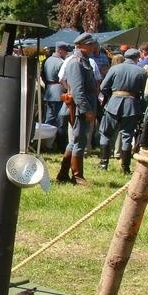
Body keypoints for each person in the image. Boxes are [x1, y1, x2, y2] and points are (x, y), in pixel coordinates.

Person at [56, 32, 98, 185]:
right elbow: (78, 91)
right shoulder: (76, 63)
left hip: (83, 107)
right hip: (80, 109)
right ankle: (77, 176)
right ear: (80, 46)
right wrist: (86, 109)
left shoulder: (84, 61)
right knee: (79, 141)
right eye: (90, 44)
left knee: (75, 141)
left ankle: (63, 174)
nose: (93, 47)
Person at [97, 48, 147, 173]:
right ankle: (125, 166)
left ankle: (103, 163)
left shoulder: (115, 68)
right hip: (131, 105)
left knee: (106, 133)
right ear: (137, 58)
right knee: (127, 135)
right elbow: (145, 93)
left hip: (113, 103)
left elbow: (103, 87)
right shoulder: (142, 71)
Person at [42, 42, 69, 151]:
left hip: (49, 91)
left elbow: (42, 75)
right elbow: (63, 78)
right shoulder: (61, 62)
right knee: (60, 120)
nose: (66, 53)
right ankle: (59, 144)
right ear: (60, 50)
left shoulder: (47, 60)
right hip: (58, 92)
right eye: (65, 51)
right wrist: (67, 88)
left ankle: (46, 144)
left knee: (49, 119)